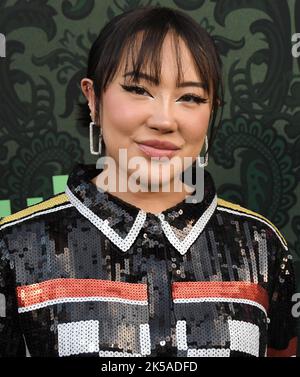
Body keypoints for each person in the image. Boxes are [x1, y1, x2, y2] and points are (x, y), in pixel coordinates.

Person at [0, 6, 298, 357]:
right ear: (93, 98)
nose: (164, 119)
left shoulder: (259, 245)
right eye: (138, 89)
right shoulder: (16, 246)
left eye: (190, 97)